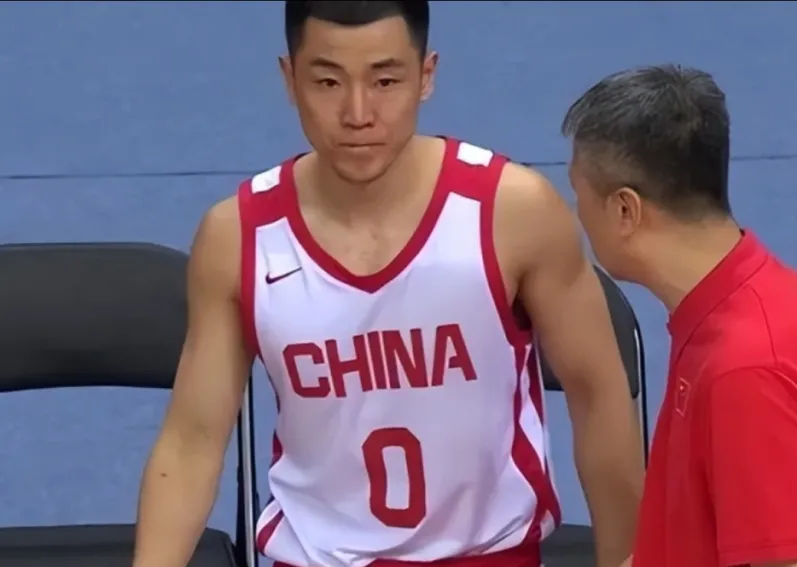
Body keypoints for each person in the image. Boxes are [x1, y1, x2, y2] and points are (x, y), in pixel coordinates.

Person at [132, 2, 645, 567]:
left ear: (426, 75)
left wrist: (628, 559)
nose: (358, 114)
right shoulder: (238, 238)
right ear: (289, 79)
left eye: (385, 81)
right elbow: (192, 443)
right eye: (328, 82)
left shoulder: (512, 213)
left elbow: (598, 393)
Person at [561, 64, 797, 567]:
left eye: (579, 194)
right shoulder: (756, 304)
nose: (576, 215)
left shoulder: (748, 369)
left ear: (626, 210)